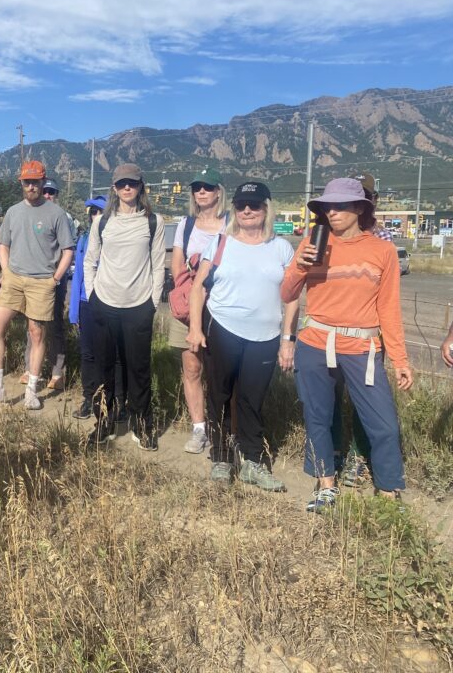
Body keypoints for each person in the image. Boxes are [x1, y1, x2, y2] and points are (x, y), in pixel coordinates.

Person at [281, 177, 413, 513]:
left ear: (359, 208)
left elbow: (389, 308)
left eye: (340, 205)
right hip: (314, 343)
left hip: (362, 349)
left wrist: (400, 359)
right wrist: (300, 265)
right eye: (327, 206)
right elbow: (287, 294)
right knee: (318, 417)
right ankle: (326, 485)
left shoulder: (382, 250)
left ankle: (387, 493)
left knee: (383, 423)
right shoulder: (312, 241)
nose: (332, 212)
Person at [187, 181, 297, 490]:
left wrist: (288, 339)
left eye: (255, 204)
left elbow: (292, 297)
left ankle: (252, 463)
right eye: (241, 205)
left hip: (265, 338)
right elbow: (198, 288)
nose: (247, 210)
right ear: (234, 209)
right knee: (220, 396)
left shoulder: (282, 247)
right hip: (223, 329)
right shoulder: (221, 243)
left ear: (267, 208)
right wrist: (195, 328)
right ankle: (221, 458)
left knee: (252, 400)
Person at [0, 160, 75, 409]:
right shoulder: (13, 211)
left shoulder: (56, 214)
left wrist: (54, 279)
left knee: (36, 332)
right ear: (21, 183)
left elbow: (67, 251)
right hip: (14, 279)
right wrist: (7, 271)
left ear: (43, 182)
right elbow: (3, 245)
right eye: (27, 182)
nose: (31, 186)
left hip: (42, 281)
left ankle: (32, 389)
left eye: (35, 181)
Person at [83, 163, 165, 450]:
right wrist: (93, 295)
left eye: (132, 183)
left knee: (139, 370)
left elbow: (158, 266)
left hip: (139, 306)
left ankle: (141, 425)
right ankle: (104, 422)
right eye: (121, 184)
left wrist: (152, 303)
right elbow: (89, 260)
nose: (127, 188)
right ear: (114, 188)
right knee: (103, 369)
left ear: (140, 186)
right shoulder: (102, 222)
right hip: (104, 304)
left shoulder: (153, 221)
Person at [330, 172, 392, 487]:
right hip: (327, 334)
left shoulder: (382, 240)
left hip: (365, 336)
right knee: (330, 397)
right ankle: (334, 451)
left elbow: (386, 295)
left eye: (363, 196)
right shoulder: (326, 236)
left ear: (371, 202)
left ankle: (359, 457)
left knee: (363, 401)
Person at [169, 167, 228, 454]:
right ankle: (199, 428)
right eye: (197, 187)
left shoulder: (231, 223)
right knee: (191, 366)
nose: (201, 191)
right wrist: (186, 295)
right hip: (189, 306)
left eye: (207, 186)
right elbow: (177, 265)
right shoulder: (186, 224)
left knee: (220, 370)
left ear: (219, 191)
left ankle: (224, 427)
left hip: (222, 305)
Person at [70, 196, 125, 443]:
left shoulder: (117, 239)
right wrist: (74, 311)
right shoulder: (83, 240)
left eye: (99, 212)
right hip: (86, 304)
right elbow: (79, 276)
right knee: (88, 354)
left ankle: (118, 403)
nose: (94, 215)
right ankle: (90, 398)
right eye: (91, 211)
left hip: (112, 303)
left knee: (114, 357)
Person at [19, 178, 75, 389]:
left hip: (53, 280)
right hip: (32, 280)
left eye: (51, 192)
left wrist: (55, 279)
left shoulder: (63, 217)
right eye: (46, 191)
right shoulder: (30, 213)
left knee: (55, 326)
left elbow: (67, 250)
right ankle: (30, 369)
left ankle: (57, 372)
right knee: (32, 326)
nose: (48, 194)